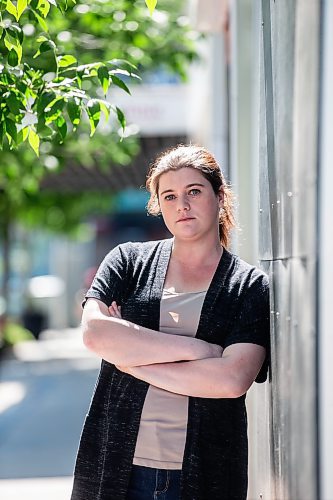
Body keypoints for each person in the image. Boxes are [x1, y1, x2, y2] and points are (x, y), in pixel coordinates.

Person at [71, 145, 270, 500]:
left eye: (194, 191)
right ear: (158, 205)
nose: (183, 205)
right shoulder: (128, 262)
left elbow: (232, 379)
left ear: (220, 196)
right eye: (170, 196)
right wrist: (202, 351)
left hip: (204, 472)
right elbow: (95, 333)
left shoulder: (247, 285)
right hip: (118, 466)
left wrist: (128, 360)